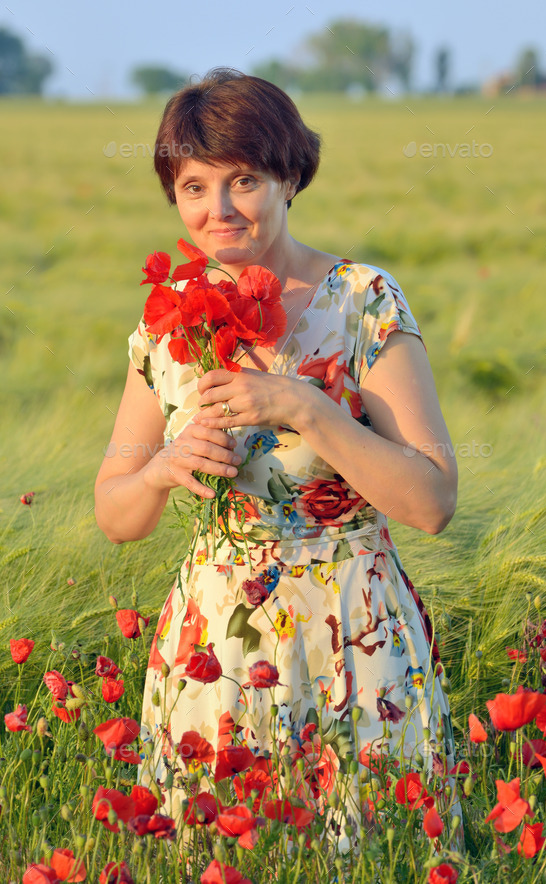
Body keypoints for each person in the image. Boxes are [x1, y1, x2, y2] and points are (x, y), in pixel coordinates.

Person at [94, 68, 459, 841]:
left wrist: (306, 408)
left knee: (364, 846)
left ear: (291, 176)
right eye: (194, 187)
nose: (218, 209)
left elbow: (432, 502)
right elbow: (115, 512)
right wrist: (162, 468)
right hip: (216, 648)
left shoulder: (362, 301)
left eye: (244, 180)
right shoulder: (169, 322)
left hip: (354, 637)